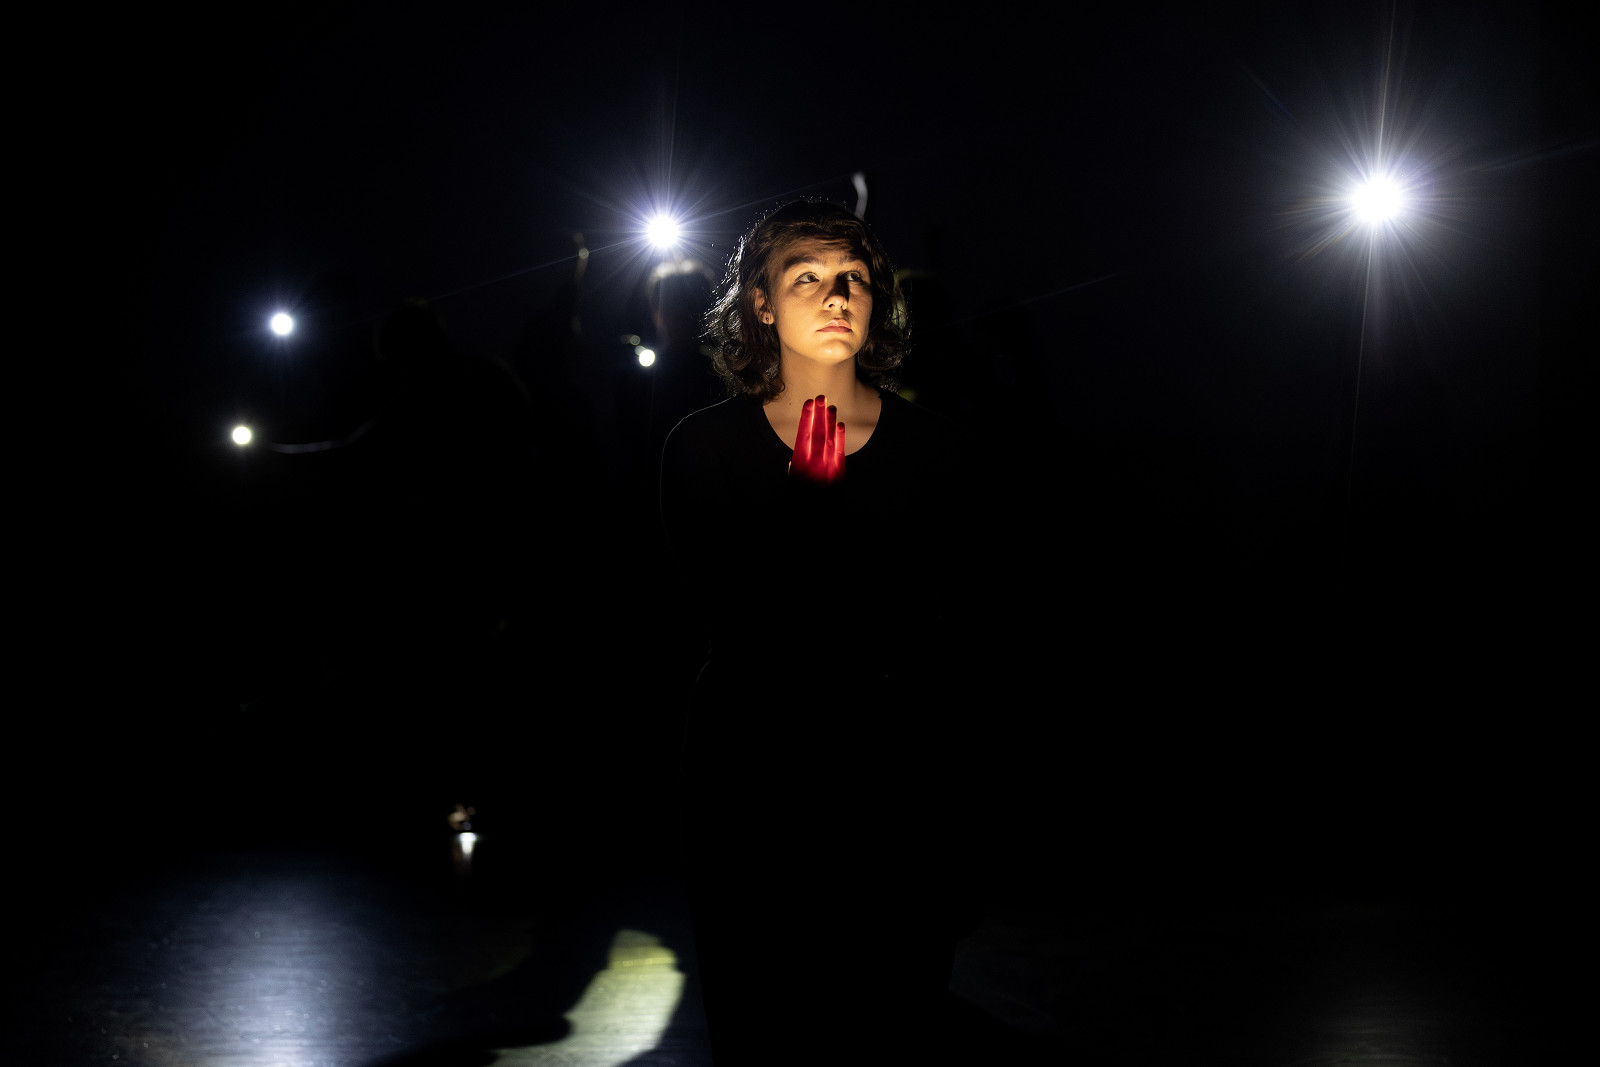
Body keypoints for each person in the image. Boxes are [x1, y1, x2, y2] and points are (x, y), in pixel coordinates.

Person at [660, 200, 999, 1064]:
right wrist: (804, 508)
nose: (837, 296)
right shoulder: (703, 448)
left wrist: (969, 819)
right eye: (806, 277)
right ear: (761, 303)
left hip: (897, 779)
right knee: (766, 1019)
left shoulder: (936, 449)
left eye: (853, 277)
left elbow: (964, 636)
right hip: (754, 776)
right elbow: (725, 612)